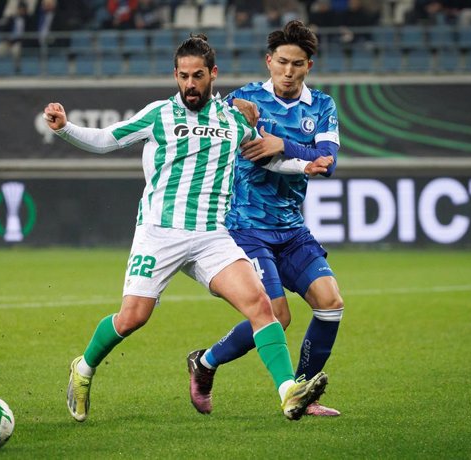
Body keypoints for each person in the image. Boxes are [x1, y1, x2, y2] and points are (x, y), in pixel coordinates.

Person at [43, 34, 329, 422]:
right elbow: (107, 140)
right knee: (133, 318)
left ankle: (288, 392)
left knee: (263, 307)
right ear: (174, 75)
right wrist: (65, 128)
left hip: (212, 236)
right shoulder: (159, 114)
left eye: (197, 76)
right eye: (182, 76)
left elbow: (266, 159)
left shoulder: (233, 119)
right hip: (159, 232)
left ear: (213, 74)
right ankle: (84, 367)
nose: (190, 84)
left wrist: (302, 165)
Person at [186, 20, 345, 418]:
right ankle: (205, 363)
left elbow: (329, 164)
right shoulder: (244, 100)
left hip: (291, 227)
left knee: (330, 303)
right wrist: (297, 153)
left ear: (309, 66)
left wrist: (283, 144)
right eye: (282, 63)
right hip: (246, 226)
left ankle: (305, 393)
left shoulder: (322, 106)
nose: (288, 72)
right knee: (278, 316)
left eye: (298, 64)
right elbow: (249, 151)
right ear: (269, 61)